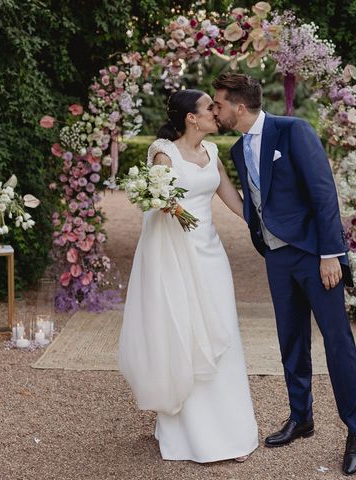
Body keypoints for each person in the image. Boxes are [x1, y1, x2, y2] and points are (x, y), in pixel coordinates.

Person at [212, 73, 356, 476]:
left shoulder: (293, 131)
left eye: (219, 104)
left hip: (316, 257)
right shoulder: (236, 149)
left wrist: (331, 253)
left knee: (338, 343)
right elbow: (255, 200)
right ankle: (301, 417)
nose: (216, 110)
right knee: (291, 341)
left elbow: (323, 193)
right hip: (277, 259)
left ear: (239, 107)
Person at [118, 89, 258, 463]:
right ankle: (190, 433)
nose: (216, 111)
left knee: (221, 332)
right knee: (184, 334)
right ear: (191, 118)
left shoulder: (212, 153)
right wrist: (168, 205)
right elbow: (160, 201)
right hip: (174, 255)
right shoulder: (163, 152)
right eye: (208, 107)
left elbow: (233, 199)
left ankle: (230, 431)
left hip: (210, 254)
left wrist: (267, 224)